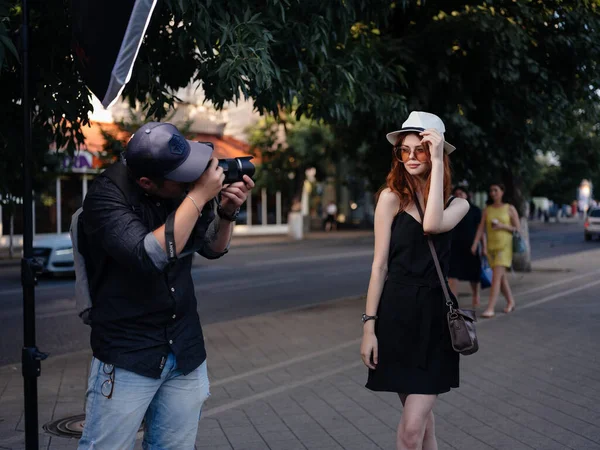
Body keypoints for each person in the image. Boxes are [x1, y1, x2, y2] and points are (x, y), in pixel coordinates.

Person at [77, 122, 254, 449]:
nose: (192, 181)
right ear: (147, 182)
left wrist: (227, 213)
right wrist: (200, 196)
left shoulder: (182, 193)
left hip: (185, 350)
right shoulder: (105, 198)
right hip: (129, 354)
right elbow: (149, 255)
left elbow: (211, 248)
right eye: (182, 178)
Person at [361, 111, 469, 450]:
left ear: (434, 151)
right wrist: (368, 328)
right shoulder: (390, 198)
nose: (410, 157)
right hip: (396, 316)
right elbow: (379, 266)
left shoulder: (459, 204)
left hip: (435, 320)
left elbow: (431, 224)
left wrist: (437, 161)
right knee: (424, 430)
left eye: (419, 149)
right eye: (403, 150)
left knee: (410, 430)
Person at [471, 183, 519, 318]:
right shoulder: (487, 209)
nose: (493, 193)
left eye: (495, 190)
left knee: (496, 278)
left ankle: (490, 308)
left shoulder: (510, 208)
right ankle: (510, 301)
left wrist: (503, 226)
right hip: (492, 248)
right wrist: (475, 244)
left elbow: (517, 228)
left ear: (502, 192)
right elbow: (481, 228)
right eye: (491, 190)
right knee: (501, 278)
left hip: (504, 248)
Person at [448, 186, 484, 307]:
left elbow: (481, 230)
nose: (459, 196)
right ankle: (454, 301)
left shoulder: (475, 210)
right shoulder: (449, 209)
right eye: (456, 194)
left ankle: (476, 295)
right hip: (454, 247)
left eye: (461, 193)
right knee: (452, 275)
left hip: (471, 247)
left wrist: (482, 246)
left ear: (467, 195)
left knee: (473, 274)